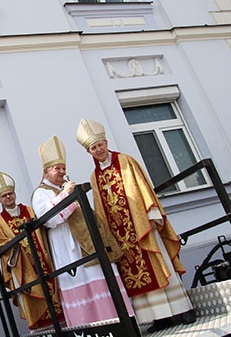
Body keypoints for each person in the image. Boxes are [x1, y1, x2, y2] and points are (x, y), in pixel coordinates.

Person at [76, 118, 196, 332]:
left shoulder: (125, 161)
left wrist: (152, 214)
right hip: (120, 237)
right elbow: (100, 208)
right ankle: (158, 317)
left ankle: (182, 309)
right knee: (132, 274)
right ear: (89, 152)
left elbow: (142, 186)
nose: (98, 149)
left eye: (100, 145)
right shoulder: (94, 176)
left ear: (105, 142)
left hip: (141, 226)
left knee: (158, 264)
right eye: (93, 148)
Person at [31, 135, 132, 328]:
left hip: (86, 245)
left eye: (63, 168)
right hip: (67, 251)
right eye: (57, 169)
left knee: (103, 279)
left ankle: (121, 325)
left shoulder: (63, 187)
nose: (62, 172)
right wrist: (66, 194)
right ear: (45, 171)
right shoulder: (40, 193)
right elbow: (49, 220)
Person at [0, 171, 64, 331]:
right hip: (24, 268)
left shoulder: (30, 211)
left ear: (15, 194)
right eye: (4, 196)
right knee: (34, 296)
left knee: (55, 293)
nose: (8, 197)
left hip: (44, 259)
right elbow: (2, 245)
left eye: (10, 194)